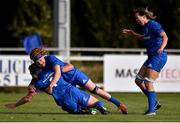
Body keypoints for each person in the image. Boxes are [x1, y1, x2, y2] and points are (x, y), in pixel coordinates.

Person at [29, 48, 128, 114]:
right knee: (68, 103)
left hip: (75, 75)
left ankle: (119, 104)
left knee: (95, 89)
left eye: (39, 59)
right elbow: (37, 78)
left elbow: (63, 70)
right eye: (36, 61)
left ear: (42, 56)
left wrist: (52, 82)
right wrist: (31, 85)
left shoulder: (50, 59)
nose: (39, 62)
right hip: (67, 82)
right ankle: (93, 109)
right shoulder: (41, 67)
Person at [5, 63, 109, 115]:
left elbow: (28, 98)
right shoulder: (51, 69)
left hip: (64, 101)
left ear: (33, 74)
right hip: (73, 91)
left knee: (72, 110)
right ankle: (100, 108)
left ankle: (84, 111)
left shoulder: (37, 84)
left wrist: (15, 105)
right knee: (98, 103)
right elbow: (68, 66)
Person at [122, 8, 168, 115]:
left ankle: (151, 111)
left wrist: (161, 48)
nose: (137, 20)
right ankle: (154, 102)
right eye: (135, 19)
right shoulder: (145, 27)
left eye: (138, 18)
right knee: (138, 80)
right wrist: (133, 34)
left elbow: (165, 37)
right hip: (151, 56)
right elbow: (145, 38)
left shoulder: (153, 24)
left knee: (148, 82)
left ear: (144, 16)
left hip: (158, 56)